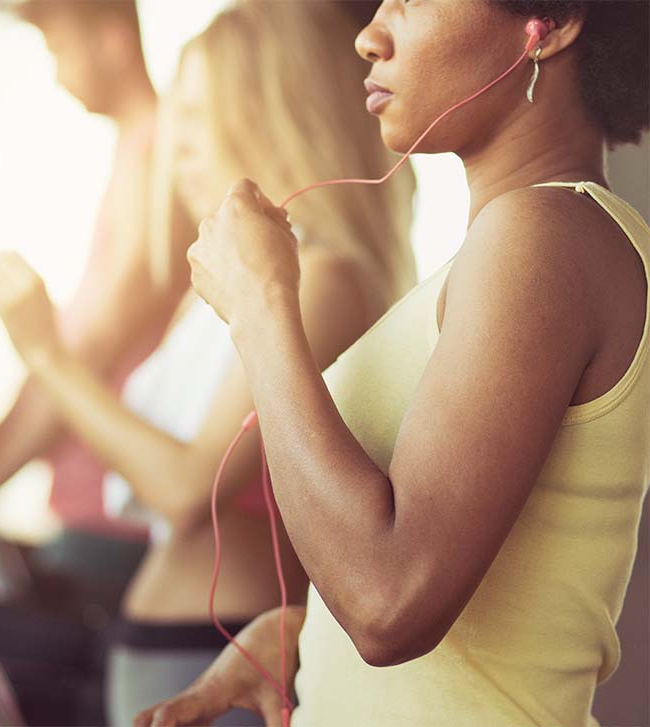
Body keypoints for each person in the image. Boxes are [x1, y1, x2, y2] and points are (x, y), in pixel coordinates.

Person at [135, 1, 650, 726]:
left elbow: (387, 605)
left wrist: (260, 307)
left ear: (552, 23)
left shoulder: (543, 237)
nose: (369, 35)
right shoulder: (508, 247)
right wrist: (305, 635)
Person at [0, 3, 416, 724]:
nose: (178, 144)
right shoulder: (235, 276)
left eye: (201, 112)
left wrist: (45, 352)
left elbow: (185, 486)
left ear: (266, 115)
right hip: (162, 642)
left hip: (209, 645)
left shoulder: (323, 276)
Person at [0, 0, 192, 610]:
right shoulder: (134, 154)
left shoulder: (159, 154)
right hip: (98, 514)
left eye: (58, 50)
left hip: (113, 525)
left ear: (111, 41)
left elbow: (86, 347)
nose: (56, 74)